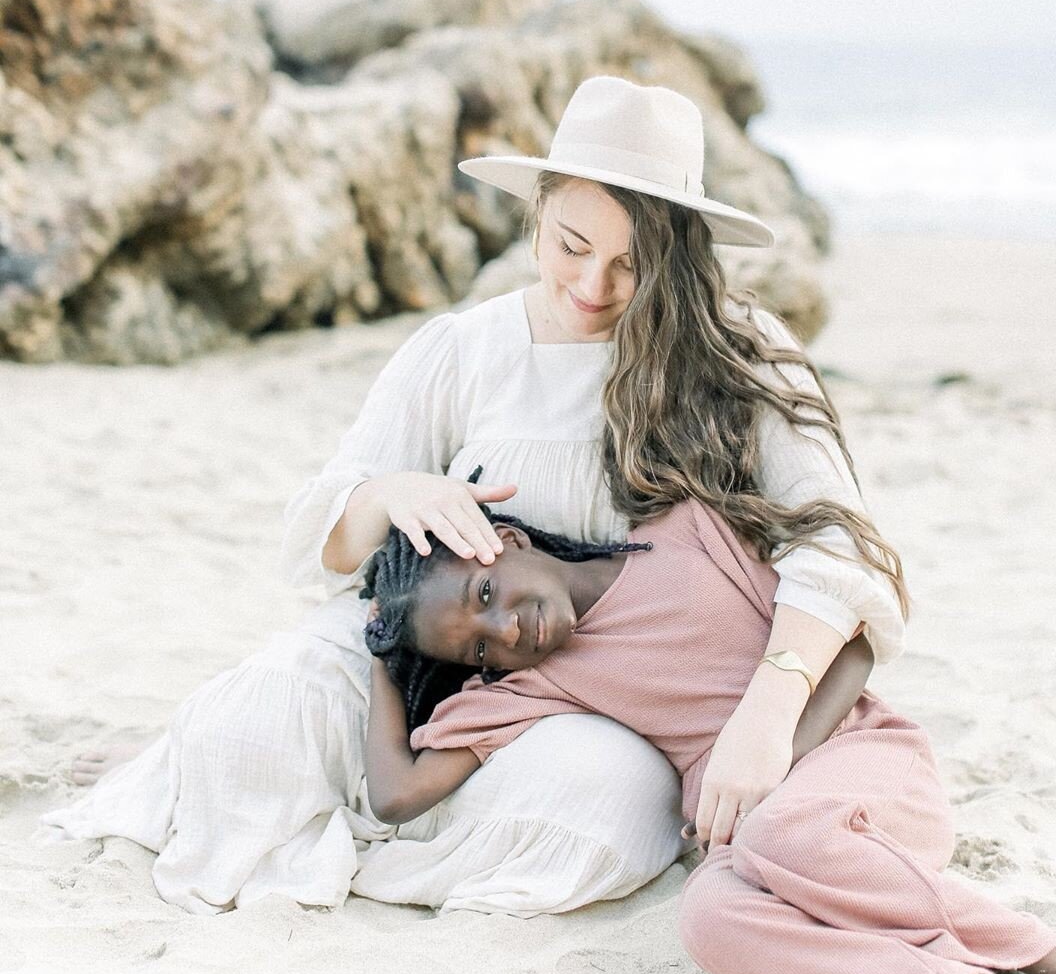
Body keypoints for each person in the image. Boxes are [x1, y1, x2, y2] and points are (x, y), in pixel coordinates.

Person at [45, 74, 909, 915]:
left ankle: (349, 814)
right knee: (263, 711)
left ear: (680, 254)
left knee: (592, 805)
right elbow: (327, 546)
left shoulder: (739, 351)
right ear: (536, 212)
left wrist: (769, 711)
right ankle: (235, 762)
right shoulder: (463, 348)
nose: (594, 287)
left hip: (609, 701)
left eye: (631, 265)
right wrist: (398, 489)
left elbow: (843, 549)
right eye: (571, 245)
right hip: (443, 653)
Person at [354, 488, 1056, 974]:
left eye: (485, 596)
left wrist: (777, 760)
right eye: (479, 652)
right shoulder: (536, 684)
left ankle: (1046, 951)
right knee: (707, 916)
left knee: (779, 830)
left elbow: (852, 641)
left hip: (862, 770)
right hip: (760, 845)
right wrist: (385, 655)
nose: (506, 631)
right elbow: (398, 795)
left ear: (504, 540)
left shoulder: (688, 537)